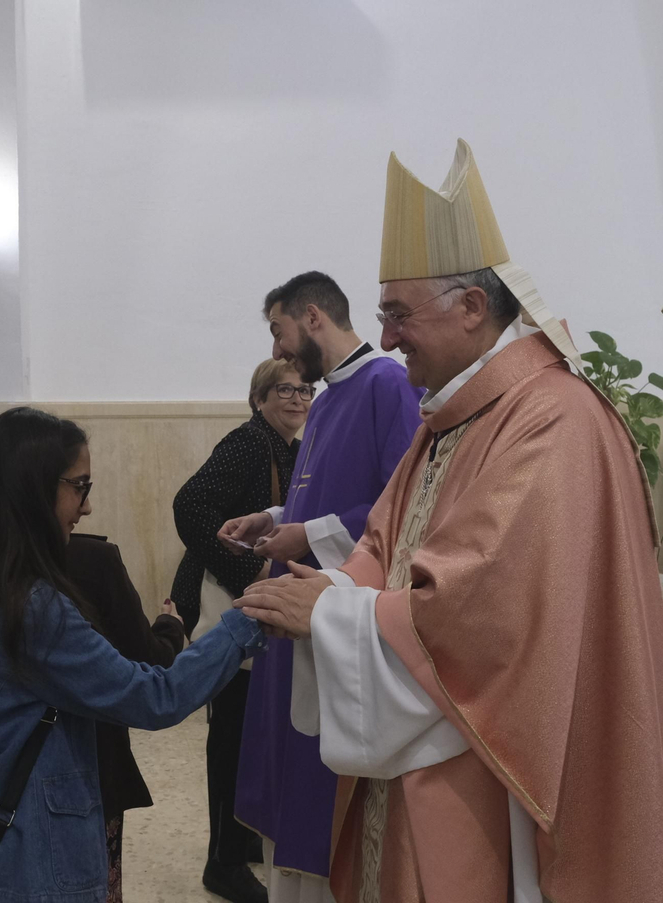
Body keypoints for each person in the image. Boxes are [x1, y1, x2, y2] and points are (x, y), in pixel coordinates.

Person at [237, 141, 663, 902]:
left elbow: (483, 613)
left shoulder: (551, 421)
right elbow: (383, 542)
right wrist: (333, 589)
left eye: (397, 313)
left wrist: (336, 614)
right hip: (428, 760)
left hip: (497, 780)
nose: (384, 339)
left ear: (473, 307)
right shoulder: (449, 415)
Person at [0, 406, 264, 903]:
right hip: (30, 854)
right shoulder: (31, 609)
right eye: (80, 487)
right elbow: (155, 697)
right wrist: (250, 615)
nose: (87, 507)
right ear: (32, 489)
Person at [222, 273, 422, 903]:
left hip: (338, 610)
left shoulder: (386, 383)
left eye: (279, 332)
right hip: (299, 608)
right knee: (288, 770)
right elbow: (328, 498)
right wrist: (275, 520)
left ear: (312, 318)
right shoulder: (330, 396)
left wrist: (305, 535)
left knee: (316, 783)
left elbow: (403, 509)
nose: (279, 351)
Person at [171, 358, 308, 903]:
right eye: (283, 390)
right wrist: (248, 572)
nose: (296, 399)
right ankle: (221, 863)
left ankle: (240, 838)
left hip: (251, 612)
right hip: (229, 608)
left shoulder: (288, 446)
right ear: (259, 399)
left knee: (249, 733)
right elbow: (191, 505)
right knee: (230, 738)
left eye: (303, 389)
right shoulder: (250, 443)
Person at [62, 533, 185, 903]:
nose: (87, 506)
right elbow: (150, 679)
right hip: (85, 777)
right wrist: (171, 627)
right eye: (80, 486)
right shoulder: (87, 563)